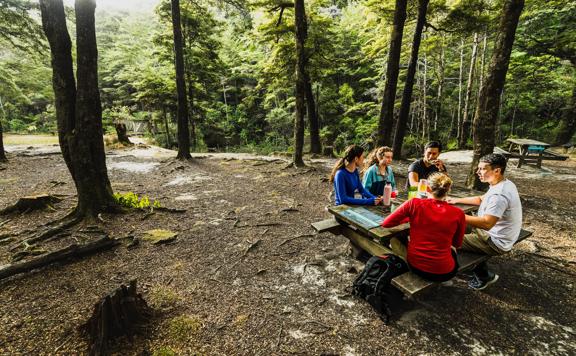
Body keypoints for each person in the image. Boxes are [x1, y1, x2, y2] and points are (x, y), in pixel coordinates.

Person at [447, 153, 522, 290]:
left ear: (497, 171)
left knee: (447, 237)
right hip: (495, 233)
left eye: (482, 169)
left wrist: (454, 213)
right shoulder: (503, 183)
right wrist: (456, 200)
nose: (477, 172)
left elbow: (487, 223)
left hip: (495, 241)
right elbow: (482, 199)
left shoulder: (499, 195)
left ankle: (481, 275)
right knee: (453, 226)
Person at [381, 172, 465, 282]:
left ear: (428, 189)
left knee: (395, 239)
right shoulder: (458, 213)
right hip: (445, 273)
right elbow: (457, 243)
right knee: (451, 249)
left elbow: (386, 223)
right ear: (447, 191)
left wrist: (409, 218)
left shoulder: (414, 203)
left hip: (416, 267)